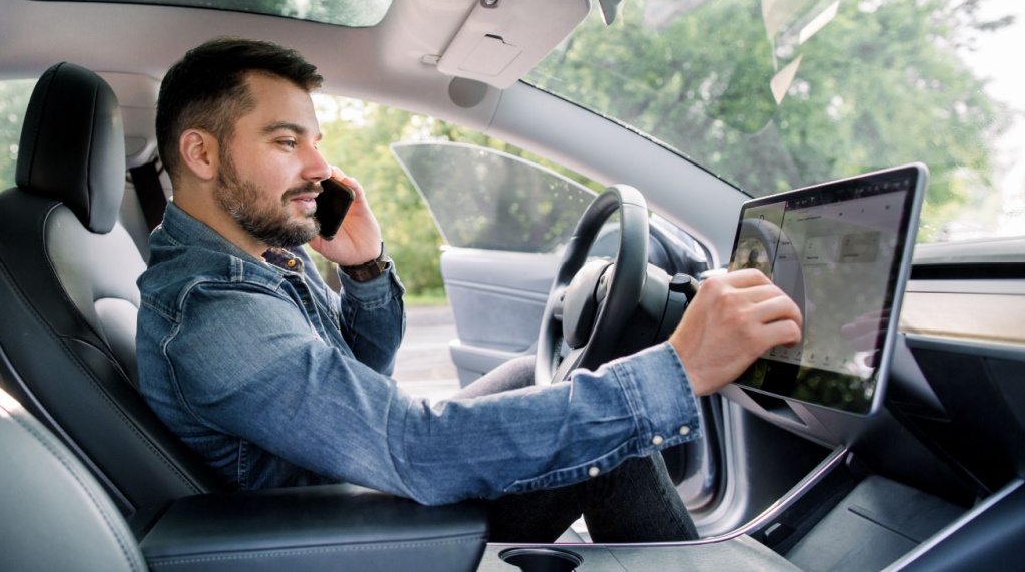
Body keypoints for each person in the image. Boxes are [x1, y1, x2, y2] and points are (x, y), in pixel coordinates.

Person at [136, 37, 802, 543]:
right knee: (607, 434)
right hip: (353, 536)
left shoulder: (261, 256)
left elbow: (358, 373)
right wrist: (678, 371)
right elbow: (411, 449)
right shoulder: (214, 313)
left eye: (316, 141)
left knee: (548, 384)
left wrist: (364, 268)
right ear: (202, 155)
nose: (318, 167)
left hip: (354, 484)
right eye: (287, 141)